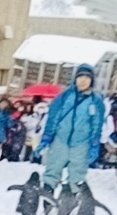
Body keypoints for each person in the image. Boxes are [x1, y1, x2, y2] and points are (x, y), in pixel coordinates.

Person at [38, 64, 107, 202]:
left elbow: (97, 124)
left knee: (76, 175)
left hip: (81, 143)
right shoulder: (64, 96)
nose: (83, 80)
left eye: (87, 77)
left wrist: (94, 143)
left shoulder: (96, 100)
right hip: (61, 139)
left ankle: (68, 201)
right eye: (80, 76)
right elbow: (54, 118)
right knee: (53, 170)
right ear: (75, 78)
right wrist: (47, 137)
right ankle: (47, 198)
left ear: (92, 80)